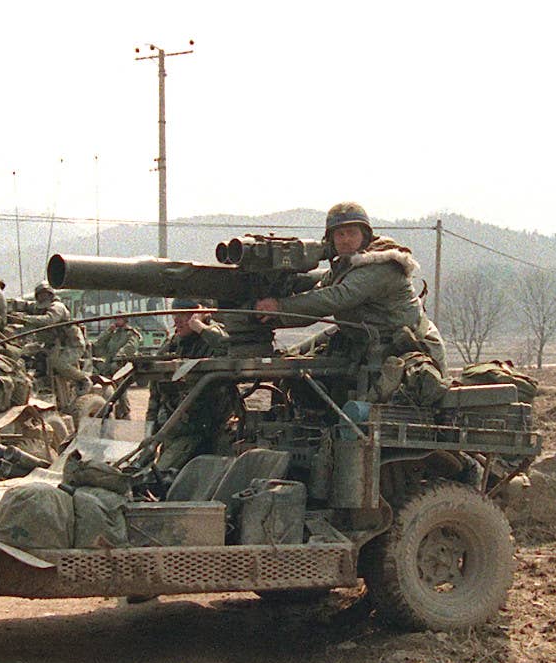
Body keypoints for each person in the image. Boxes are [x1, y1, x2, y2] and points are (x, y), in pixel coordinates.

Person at [254, 201, 446, 369]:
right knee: (294, 358)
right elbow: (320, 289)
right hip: (366, 339)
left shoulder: (381, 265)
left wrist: (280, 307)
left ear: (365, 236)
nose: (346, 240)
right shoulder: (347, 264)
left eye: (352, 233)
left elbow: (335, 297)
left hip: (407, 350)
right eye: (340, 234)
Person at [145, 298, 235, 488]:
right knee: (145, 472)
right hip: (171, 428)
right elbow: (155, 391)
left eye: (184, 315)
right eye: (174, 315)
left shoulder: (213, 336)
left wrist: (199, 326)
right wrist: (149, 432)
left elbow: (231, 350)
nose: (176, 320)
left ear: (200, 314)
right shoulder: (173, 345)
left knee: (155, 480)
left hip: (199, 429)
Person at [10, 282, 91, 408]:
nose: (42, 297)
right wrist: (9, 305)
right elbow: (24, 305)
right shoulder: (38, 307)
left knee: (59, 363)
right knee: (22, 351)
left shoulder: (58, 307)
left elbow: (48, 320)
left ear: (50, 295)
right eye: (40, 295)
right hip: (51, 344)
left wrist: (24, 319)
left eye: (45, 295)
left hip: (72, 344)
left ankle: (83, 379)